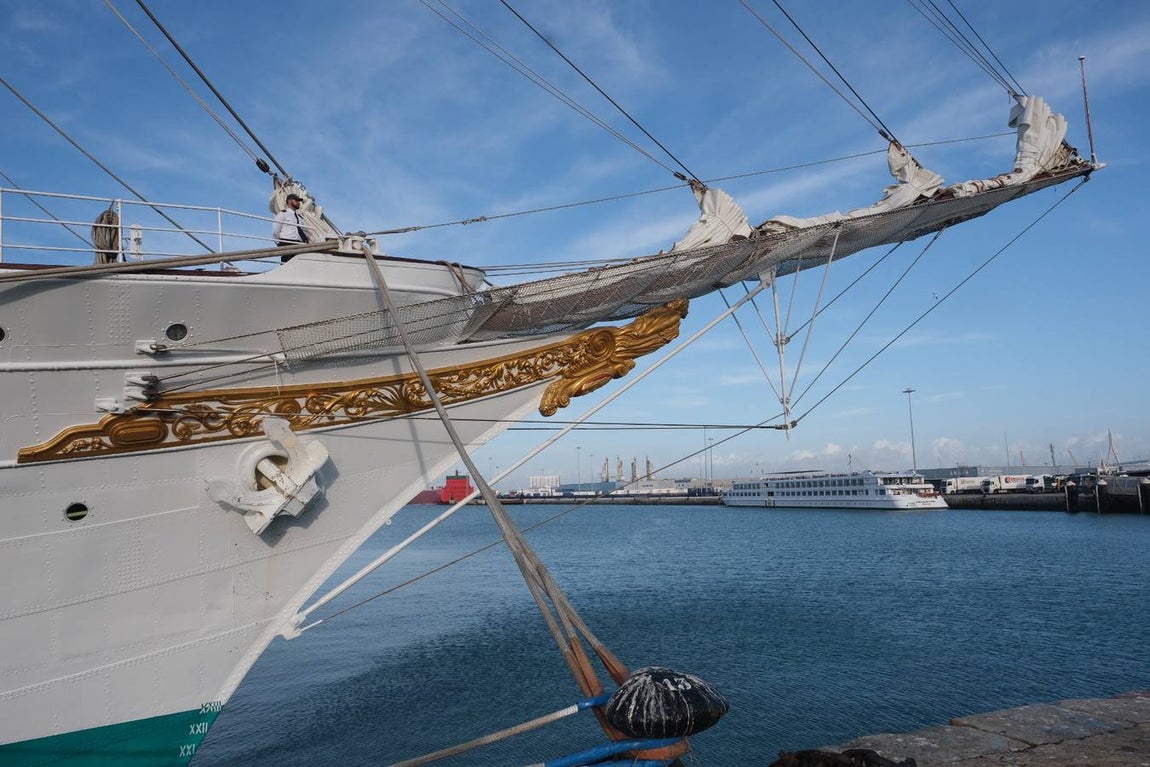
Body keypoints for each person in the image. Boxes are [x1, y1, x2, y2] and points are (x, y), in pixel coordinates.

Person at [273, 193, 309, 261]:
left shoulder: (300, 218)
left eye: (299, 201)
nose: (298, 202)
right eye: (296, 200)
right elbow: (276, 231)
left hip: (299, 244)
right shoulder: (283, 214)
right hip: (287, 243)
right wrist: (280, 243)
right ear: (289, 201)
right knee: (287, 265)